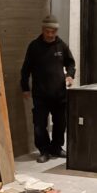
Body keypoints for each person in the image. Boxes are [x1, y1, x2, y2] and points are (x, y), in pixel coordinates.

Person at [20, 15, 76, 163]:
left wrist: (70, 76)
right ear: (42, 30)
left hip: (59, 93)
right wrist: (25, 87)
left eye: (53, 32)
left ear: (56, 31)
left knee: (60, 123)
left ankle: (56, 147)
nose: (50, 35)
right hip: (40, 94)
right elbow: (25, 69)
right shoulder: (34, 46)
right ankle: (44, 151)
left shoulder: (61, 46)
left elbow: (70, 63)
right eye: (47, 31)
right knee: (39, 125)